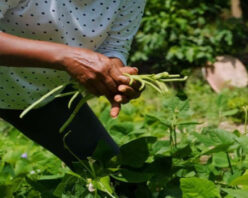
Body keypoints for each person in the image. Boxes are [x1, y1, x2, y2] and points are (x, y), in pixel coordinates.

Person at [0, 0, 146, 168]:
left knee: (110, 170)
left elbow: (114, 47)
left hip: (40, 96)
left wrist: (116, 78)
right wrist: (66, 58)